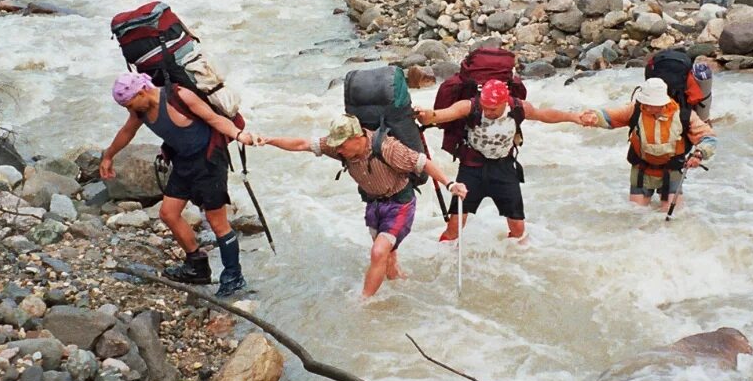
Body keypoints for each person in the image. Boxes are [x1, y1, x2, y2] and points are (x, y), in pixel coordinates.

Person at [258, 115, 466, 298]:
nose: (338, 150)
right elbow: (302, 144)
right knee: (387, 257)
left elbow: (423, 163)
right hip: (374, 204)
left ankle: (364, 302)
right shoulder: (339, 148)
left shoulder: (387, 147)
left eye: (342, 145)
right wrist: (268, 140)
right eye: (336, 145)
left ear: (358, 138)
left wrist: (450, 184)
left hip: (399, 203)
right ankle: (401, 286)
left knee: (378, 252)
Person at [100, 72, 255, 298]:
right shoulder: (139, 110)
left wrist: (238, 134)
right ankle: (197, 266)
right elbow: (127, 132)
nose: (128, 110)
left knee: (217, 222)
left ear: (142, 92)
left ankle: (234, 276)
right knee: (168, 213)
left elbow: (214, 119)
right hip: (183, 162)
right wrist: (108, 156)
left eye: (129, 104)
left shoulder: (180, 96)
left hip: (209, 161)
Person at [416, 79, 585, 242]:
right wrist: (425, 115)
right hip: (472, 168)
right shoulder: (470, 106)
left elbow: (544, 115)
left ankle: (513, 260)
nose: (488, 112)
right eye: (485, 108)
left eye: (493, 109)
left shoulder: (518, 107)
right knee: (454, 227)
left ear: (505, 102)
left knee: (518, 229)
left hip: (504, 168)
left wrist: (574, 117)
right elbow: (441, 115)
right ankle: (442, 261)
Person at [579, 77, 716, 213]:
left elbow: (708, 138)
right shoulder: (636, 110)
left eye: (652, 104)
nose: (647, 106)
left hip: (672, 171)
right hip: (642, 170)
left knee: (673, 217)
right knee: (636, 215)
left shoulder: (683, 116)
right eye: (645, 102)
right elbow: (609, 116)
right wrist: (594, 117)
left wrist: (699, 154)